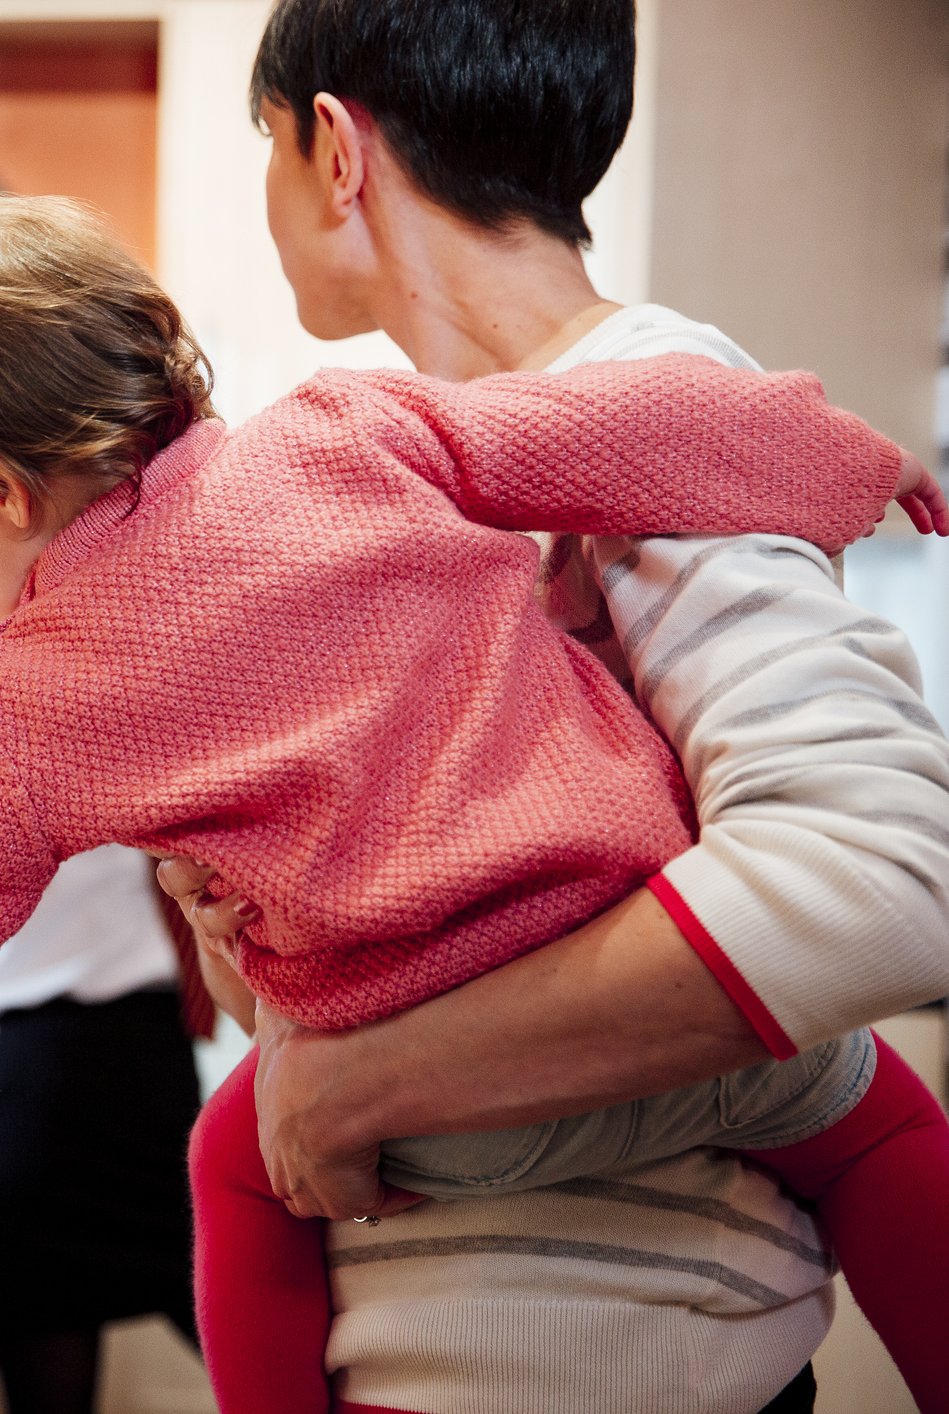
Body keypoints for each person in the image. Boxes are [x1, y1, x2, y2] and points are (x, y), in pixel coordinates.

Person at [0, 187, 932, 1338]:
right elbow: (627, 433)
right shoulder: (345, 427)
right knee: (878, 1120)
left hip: (437, 1110)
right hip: (661, 989)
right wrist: (845, 460)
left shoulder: (32, 697)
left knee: (229, 1156)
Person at [152, 3, 949, 1409]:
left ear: (332, 149)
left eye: (260, 143)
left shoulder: (650, 411)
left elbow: (877, 872)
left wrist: (372, 1081)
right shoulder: (406, 454)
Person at [0, 847, 209, 1414]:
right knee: (44, 1312)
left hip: (135, 1053)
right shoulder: (0, 767)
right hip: (59, 1060)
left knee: (236, 1295)